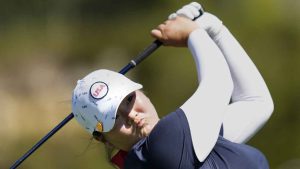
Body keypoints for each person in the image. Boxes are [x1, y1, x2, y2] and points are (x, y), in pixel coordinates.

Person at [71, 2, 274, 169]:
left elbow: (256, 103)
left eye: (129, 99)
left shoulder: (158, 154)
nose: (131, 115)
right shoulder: (163, 146)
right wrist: (193, 33)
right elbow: (219, 85)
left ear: (140, 92)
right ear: (103, 139)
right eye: (113, 117)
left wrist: (216, 30)